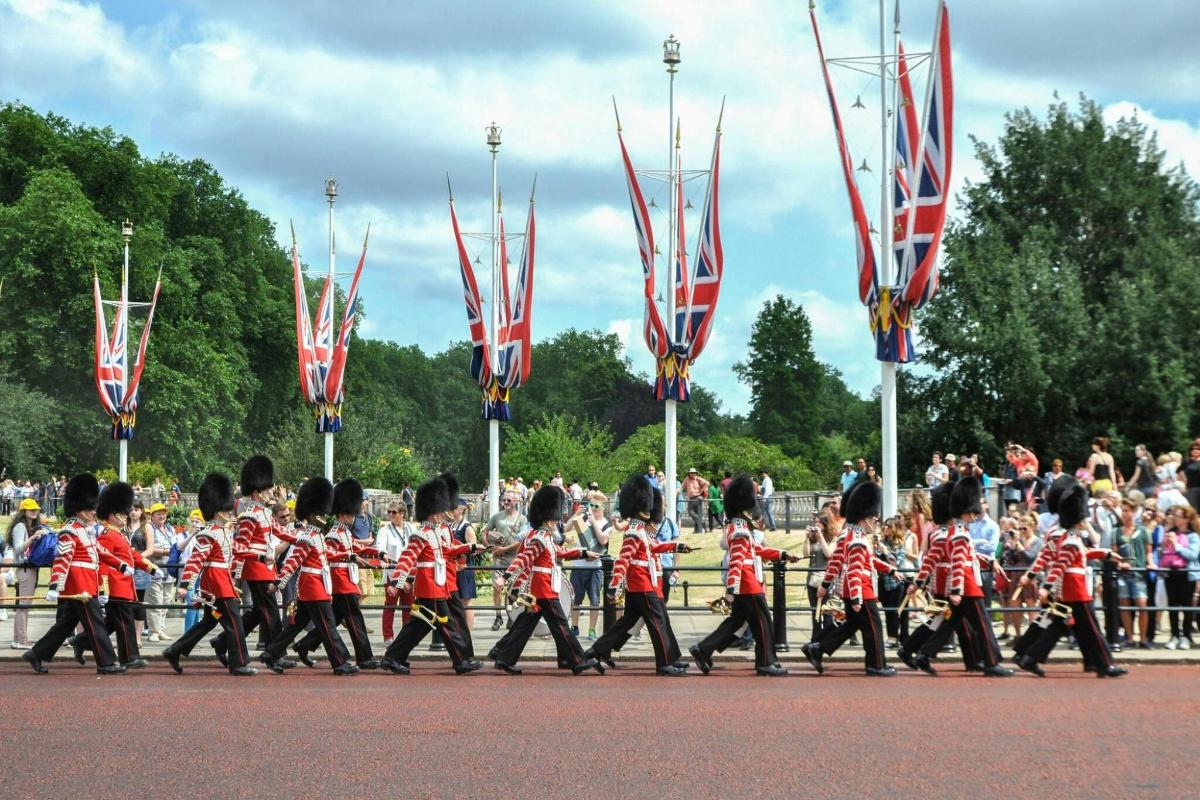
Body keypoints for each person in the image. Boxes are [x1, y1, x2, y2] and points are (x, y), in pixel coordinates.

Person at [586, 476, 695, 676]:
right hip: (642, 583)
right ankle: (664, 663)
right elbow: (623, 559)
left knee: (628, 621)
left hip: (645, 582)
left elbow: (655, 547)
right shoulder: (635, 530)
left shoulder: (640, 529)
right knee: (658, 621)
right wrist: (614, 584)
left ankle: (596, 651)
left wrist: (677, 546)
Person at [488, 485, 602, 675]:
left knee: (525, 624)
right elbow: (524, 559)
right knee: (560, 623)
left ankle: (503, 656)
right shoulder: (540, 538)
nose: (557, 522)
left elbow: (561, 552)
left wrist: (584, 553)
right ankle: (576, 660)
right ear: (549, 519)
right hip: (543, 587)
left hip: (543, 587)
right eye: (555, 519)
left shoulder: (546, 538)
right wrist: (505, 578)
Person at [905, 478, 1013, 677]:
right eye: (973, 509)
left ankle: (925, 654)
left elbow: (969, 556)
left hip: (964, 585)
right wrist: (955, 590)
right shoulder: (959, 533)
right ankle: (991, 662)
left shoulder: (958, 531)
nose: (976, 513)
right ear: (966, 510)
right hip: (967, 587)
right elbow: (957, 563)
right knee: (983, 625)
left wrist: (990, 563)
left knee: (950, 623)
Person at [1021, 478, 1127, 677]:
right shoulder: (1069, 539)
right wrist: (1046, 586)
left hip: (1070, 587)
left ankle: (1031, 657)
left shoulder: (1070, 537)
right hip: (1075, 589)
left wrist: (1105, 554)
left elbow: (1081, 554)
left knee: (1059, 625)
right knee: (1092, 627)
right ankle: (1105, 664)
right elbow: (1060, 564)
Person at [693, 476, 797, 677]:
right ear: (745, 508)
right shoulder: (741, 530)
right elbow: (737, 562)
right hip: (748, 585)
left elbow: (755, 550)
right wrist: (731, 590)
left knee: (735, 622)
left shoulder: (737, 527)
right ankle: (766, 662)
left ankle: (703, 649)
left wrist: (782, 554)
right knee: (763, 622)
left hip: (745, 583)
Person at [23, 474, 127, 675]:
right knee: (96, 623)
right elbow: (62, 560)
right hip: (79, 586)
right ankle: (106, 662)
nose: (92, 511)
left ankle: (36, 654)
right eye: (89, 508)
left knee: (65, 625)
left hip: (87, 583)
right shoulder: (69, 530)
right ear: (78, 507)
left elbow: (100, 551)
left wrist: (120, 565)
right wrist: (54, 586)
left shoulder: (85, 530)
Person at [381, 475, 484, 675]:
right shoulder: (421, 534)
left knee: (418, 626)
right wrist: (397, 581)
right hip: (430, 587)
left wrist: (470, 547)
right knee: (446, 625)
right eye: (438, 511)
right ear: (431, 511)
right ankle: (461, 661)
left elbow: (448, 550)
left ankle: (392, 657)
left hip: (438, 585)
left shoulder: (436, 532)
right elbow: (407, 558)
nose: (442, 514)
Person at [162, 473, 257, 676]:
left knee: (208, 622)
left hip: (221, 582)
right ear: (219, 510)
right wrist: (184, 585)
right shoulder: (208, 533)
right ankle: (238, 663)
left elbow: (237, 548)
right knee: (234, 622)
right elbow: (195, 561)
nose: (231, 513)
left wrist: (259, 555)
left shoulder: (223, 531)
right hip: (216, 585)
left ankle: (174, 650)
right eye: (227, 510)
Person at [264, 478, 358, 676]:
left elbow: (326, 556)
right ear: (313, 514)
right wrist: (278, 582)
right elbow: (293, 561)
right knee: (327, 625)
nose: (324, 516)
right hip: (312, 587)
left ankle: (271, 653)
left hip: (317, 585)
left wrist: (348, 556)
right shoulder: (308, 536)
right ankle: (340, 662)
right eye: (321, 513)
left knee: (295, 625)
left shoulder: (316, 534)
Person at [801, 481, 897, 676]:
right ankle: (876, 664)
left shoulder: (849, 534)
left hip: (851, 587)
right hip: (860, 588)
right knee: (873, 627)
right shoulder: (857, 539)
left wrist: (891, 570)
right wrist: (856, 597)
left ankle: (817, 649)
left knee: (851, 626)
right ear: (864, 518)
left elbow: (841, 561)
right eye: (873, 517)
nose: (876, 520)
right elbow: (854, 569)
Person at [289, 479, 382, 669]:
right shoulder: (333, 534)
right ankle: (364, 657)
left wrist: (379, 553)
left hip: (346, 580)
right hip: (340, 582)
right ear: (343, 513)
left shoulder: (344, 532)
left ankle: (304, 645)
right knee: (355, 620)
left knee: (334, 621)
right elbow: (329, 558)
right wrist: (351, 557)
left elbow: (356, 547)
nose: (353, 516)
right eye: (351, 513)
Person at [213, 456, 294, 666]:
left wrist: (304, 537)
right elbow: (239, 547)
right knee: (271, 612)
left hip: (266, 567)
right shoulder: (249, 515)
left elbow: (281, 532)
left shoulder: (265, 512)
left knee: (259, 612)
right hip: (256, 568)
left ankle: (221, 642)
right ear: (257, 491)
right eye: (267, 491)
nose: (270, 493)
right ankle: (276, 654)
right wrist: (258, 556)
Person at [71, 482, 158, 669]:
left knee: (113, 622)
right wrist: (104, 588)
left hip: (125, 585)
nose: (125, 517)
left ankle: (81, 641)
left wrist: (151, 568)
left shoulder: (120, 534)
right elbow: (102, 563)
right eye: (121, 514)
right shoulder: (106, 534)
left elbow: (133, 555)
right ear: (112, 515)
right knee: (125, 622)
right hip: (115, 585)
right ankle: (129, 657)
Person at [565, 491, 611, 640]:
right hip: (578, 565)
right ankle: (575, 626)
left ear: (603, 507)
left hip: (595, 567)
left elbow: (603, 540)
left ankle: (592, 630)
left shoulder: (606, 523)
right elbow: (566, 529)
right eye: (590, 505)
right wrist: (576, 514)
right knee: (575, 599)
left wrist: (593, 522)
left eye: (596, 506)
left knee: (594, 600)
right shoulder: (583, 518)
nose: (592, 508)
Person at [1156, 506, 1200, 650]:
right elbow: (1162, 553)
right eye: (1175, 515)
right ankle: (1174, 635)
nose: (1175, 517)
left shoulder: (1193, 536)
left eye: (1179, 515)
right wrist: (1164, 545)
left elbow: (1193, 555)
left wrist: (1176, 545)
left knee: (1187, 606)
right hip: (1171, 573)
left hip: (1187, 574)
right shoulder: (1170, 532)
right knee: (1173, 606)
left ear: (1187, 519)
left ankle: (1186, 636)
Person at [483, 491, 526, 631]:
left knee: (513, 590)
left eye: (509, 500)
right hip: (499, 558)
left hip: (515, 557)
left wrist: (504, 548)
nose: (506, 502)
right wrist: (489, 547)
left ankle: (510, 616)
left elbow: (523, 541)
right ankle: (498, 616)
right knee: (497, 587)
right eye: (504, 499)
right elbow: (484, 532)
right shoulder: (496, 516)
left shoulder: (522, 519)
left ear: (516, 501)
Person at [7, 498, 46, 649]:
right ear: (24, 511)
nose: (34, 512)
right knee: (24, 605)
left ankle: (21, 638)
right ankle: (19, 640)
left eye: (36, 509)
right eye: (31, 509)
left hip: (29, 569)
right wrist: (32, 538)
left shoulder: (29, 526)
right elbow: (17, 549)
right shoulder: (20, 526)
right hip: (24, 569)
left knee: (25, 605)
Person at [1114, 497, 1150, 648]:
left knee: (1142, 605)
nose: (1124, 514)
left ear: (1134, 512)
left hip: (1138, 573)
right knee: (1124, 605)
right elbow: (1114, 552)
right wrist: (1119, 563)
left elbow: (1148, 551)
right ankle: (1129, 638)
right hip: (1123, 574)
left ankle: (1143, 638)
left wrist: (1151, 562)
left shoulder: (1143, 530)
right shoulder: (1116, 532)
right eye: (1122, 511)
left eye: (1127, 511)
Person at [877, 514, 918, 647]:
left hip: (896, 582)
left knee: (896, 611)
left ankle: (895, 638)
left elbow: (896, 564)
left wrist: (886, 552)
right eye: (885, 526)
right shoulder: (881, 543)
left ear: (894, 529)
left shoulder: (899, 545)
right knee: (889, 611)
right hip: (882, 582)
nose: (885, 528)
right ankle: (894, 638)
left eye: (888, 526)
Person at [999, 515, 1042, 640]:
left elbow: (1030, 557)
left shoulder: (1038, 541)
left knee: (1031, 605)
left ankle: (1032, 637)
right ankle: (1018, 635)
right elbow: (1011, 558)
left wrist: (1020, 546)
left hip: (1030, 576)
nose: (1022, 531)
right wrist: (1014, 545)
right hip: (1016, 575)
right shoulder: (1019, 540)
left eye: (1025, 528)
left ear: (1032, 527)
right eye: (1020, 528)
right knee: (1014, 605)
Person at [377, 503, 414, 645]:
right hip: (393, 572)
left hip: (409, 572)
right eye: (389, 512)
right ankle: (388, 637)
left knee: (408, 606)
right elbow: (380, 547)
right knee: (390, 605)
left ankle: (406, 637)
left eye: (394, 512)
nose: (391, 514)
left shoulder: (411, 528)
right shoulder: (384, 530)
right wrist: (383, 557)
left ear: (402, 513)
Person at [143, 501, 179, 642]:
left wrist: (172, 552)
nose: (162, 516)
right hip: (154, 569)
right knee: (155, 602)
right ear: (152, 516)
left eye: (163, 513)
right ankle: (153, 631)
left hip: (170, 570)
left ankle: (161, 629)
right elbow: (150, 549)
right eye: (158, 514)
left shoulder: (170, 528)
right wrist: (166, 551)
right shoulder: (149, 529)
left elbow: (175, 547)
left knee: (165, 601)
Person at [803, 509, 838, 640]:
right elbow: (806, 554)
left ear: (825, 524)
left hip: (826, 579)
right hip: (812, 579)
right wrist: (806, 538)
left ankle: (828, 638)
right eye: (815, 522)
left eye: (819, 522)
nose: (816, 524)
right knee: (814, 611)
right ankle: (816, 638)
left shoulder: (833, 538)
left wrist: (821, 537)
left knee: (827, 611)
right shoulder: (812, 538)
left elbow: (829, 554)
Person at [681, 468, 710, 533]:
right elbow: (682, 486)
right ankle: (698, 529)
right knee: (695, 514)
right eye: (691, 473)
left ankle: (702, 524)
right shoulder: (687, 479)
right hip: (691, 498)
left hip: (697, 497)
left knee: (691, 512)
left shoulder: (698, 478)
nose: (693, 474)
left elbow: (707, 483)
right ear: (689, 473)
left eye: (694, 473)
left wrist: (702, 490)